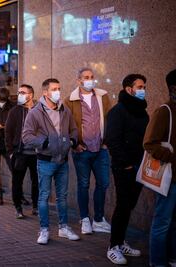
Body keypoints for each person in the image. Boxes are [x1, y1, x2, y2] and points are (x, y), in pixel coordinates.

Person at [23, 78, 79, 245]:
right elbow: (26, 136)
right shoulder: (35, 112)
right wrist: (44, 143)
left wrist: (73, 141)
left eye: (59, 88)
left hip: (63, 161)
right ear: (45, 92)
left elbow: (74, 129)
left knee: (62, 196)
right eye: (54, 89)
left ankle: (63, 227)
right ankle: (44, 229)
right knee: (44, 197)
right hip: (45, 161)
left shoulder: (64, 109)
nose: (58, 92)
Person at [105, 74, 149, 264]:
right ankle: (113, 246)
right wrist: (126, 164)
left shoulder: (142, 111)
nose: (143, 90)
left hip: (140, 167)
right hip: (124, 167)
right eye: (139, 86)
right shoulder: (118, 111)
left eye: (144, 86)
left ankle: (121, 242)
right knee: (123, 206)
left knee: (129, 206)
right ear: (128, 89)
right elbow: (112, 140)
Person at [64, 67, 112, 234]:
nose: (89, 80)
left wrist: (107, 142)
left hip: (101, 149)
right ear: (79, 80)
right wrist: (74, 144)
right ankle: (84, 219)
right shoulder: (69, 100)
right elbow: (66, 126)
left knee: (103, 183)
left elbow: (110, 119)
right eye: (86, 77)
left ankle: (98, 219)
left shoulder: (102, 96)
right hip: (82, 150)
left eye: (92, 77)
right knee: (83, 184)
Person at [144, 69, 176, 267]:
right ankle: (157, 262)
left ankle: (172, 257)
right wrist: (173, 158)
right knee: (163, 222)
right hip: (170, 178)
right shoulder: (164, 111)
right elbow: (149, 143)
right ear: (173, 88)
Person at [5, 84, 39, 218]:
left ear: (30, 95)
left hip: (37, 153)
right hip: (20, 153)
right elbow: (8, 132)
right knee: (17, 181)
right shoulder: (15, 111)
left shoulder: (39, 110)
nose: (19, 95)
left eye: (22, 92)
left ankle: (36, 206)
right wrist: (10, 152)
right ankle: (18, 207)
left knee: (37, 181)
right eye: (19, 92)